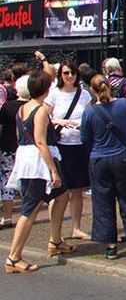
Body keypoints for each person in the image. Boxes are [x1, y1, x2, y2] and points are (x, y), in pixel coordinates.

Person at [81, 75, 126, 260]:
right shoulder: (123, 104)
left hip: (99, 160)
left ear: (92, 90)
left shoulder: (89, 111)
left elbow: (85, 138)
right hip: (123, 157)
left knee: (103, 202)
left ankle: (110, 247)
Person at [5, 70, 72, 273]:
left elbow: (21, 135)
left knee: (62, 195)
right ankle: (14, 257)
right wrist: (53, 171)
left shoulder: (22, 108)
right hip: (37, 164)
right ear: (45, 89)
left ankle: (56, 240)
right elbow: (40, 142)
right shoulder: (41, 111)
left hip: (26, 159)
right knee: (30, 210)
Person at [45, 59, 92, 240]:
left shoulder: (84, 95)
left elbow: (89, 116)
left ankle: (76, 227)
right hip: (61, 145)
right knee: (58, 189)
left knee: (77, 189)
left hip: (79, 144)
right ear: (60, 75)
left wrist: (82, 125)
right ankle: (54, 231)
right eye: (66, 73)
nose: (70, 76)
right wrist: (60, 121)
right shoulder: (54, 94)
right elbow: (44, 116)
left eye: (72, 73)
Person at [0, 71, 23, 229]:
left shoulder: (6, 108)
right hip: (24, 148)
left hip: (7, 149)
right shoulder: (32, 107)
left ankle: (7, 217)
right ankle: (26, 215)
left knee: (7, 181)